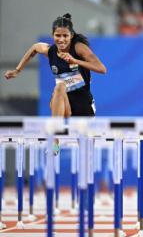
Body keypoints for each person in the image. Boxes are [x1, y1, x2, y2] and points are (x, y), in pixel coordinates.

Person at [4, 13, 107, 154]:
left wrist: (75, 61)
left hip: (83, 103)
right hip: (63, 103)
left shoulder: (78, 48)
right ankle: (55, 141)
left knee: (86, 154)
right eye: (57, 35)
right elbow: (34, 48)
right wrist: (17, 70)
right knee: (59, 87)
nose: (61, 39)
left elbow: (102, 69)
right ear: (52, 35)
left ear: (71, 35)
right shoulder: (50, 51)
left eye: (65, 36)